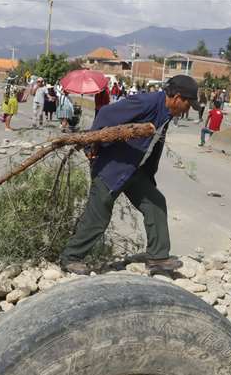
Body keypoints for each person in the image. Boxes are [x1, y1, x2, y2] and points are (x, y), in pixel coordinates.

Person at [59, 75, 199, 275]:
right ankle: (71, 257)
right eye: (188, 104)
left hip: (134, 170)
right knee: (98, 216)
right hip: (112, 168)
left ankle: (157, 257)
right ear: (177, 98)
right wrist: (91, 146)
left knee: (155, 203)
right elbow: (106, 114)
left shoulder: (166, 111)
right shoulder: (148, 102)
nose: (187, 110)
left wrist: (148, 175)